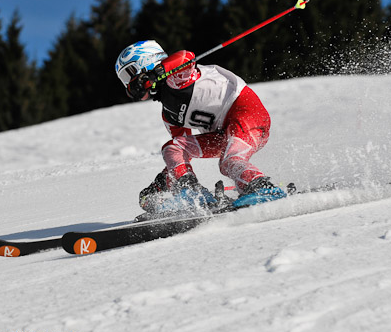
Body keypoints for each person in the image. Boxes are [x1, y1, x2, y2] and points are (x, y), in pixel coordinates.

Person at [115, 40, 285, 213]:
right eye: (124, 80)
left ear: (146, 62)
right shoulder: (169, 115)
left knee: (229, 161)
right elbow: (180, 154)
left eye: (128, 74)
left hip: (247, 114)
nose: (129, 84)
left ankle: (262, 186)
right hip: (223, 134)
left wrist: (154, 74)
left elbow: (185, 57)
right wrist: (160, 183)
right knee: (173, 148)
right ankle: (193, 193)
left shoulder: (176, 78)